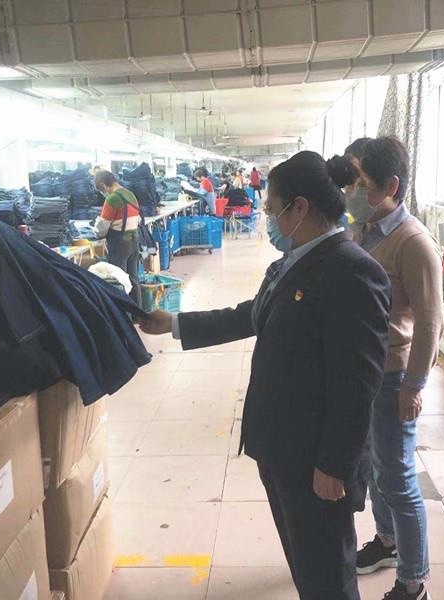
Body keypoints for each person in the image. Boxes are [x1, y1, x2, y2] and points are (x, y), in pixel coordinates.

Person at [139, 151, 392, 600]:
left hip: (316, 461)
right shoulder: (290, 262)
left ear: (300, 208)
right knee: (306, 566)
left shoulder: (351, 270)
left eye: (272, 209)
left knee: (328, 577)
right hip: (281, 447)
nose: (268, 219)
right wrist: (174, 324)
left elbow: (358, 384)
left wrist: (334, 466)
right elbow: (251, 315)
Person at [340, 137, 443, 600]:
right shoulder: (362, 231)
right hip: (364, 373)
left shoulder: (413, 242)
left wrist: (414, 386)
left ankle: (413, 581)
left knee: (398, 478)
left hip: (393, 375)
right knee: (377, 469)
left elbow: (430, 321)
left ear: (391, 185)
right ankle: (386, 542)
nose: (352, 193)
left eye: (360, 183)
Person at [93, 170, 142, 306]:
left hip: (120, 244)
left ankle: (123, 315)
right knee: (133, 279)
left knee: (119, 281)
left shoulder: (112, 199)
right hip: (134, 240)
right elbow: (138, 219)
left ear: (103, 185)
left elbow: (103, 227)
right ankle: (138, 312)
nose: (103, 193)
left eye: (101, 190)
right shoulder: (130, 194)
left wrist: (95, 231)